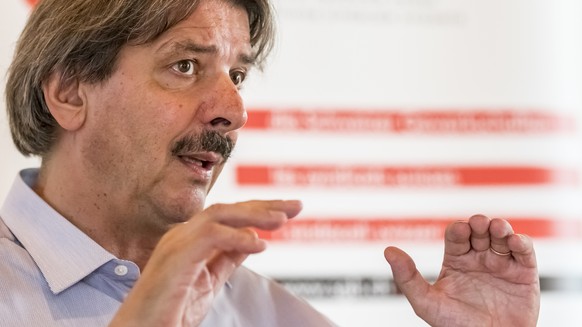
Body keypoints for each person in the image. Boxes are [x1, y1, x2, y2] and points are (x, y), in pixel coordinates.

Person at [0, 0, 540, 326]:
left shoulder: (263, 310)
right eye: (185, 66)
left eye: (237, 76)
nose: (234, 111)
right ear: (70, 93)